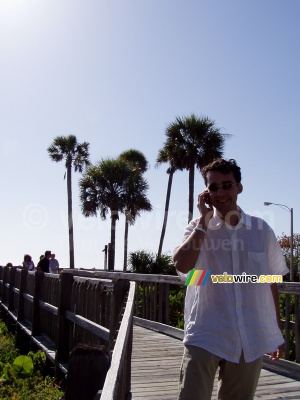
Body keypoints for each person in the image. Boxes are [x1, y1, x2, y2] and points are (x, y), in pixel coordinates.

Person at [173, 158, 289, 400]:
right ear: (206, 193)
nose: (221, 192)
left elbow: (270, 282)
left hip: (250, 335)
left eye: (227, 185)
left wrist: (276, 330)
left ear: (239, 187)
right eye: (214, 187)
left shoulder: (261, 230)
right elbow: (182, 265)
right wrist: (204, 222)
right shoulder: (197, 227)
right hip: (205, 332)